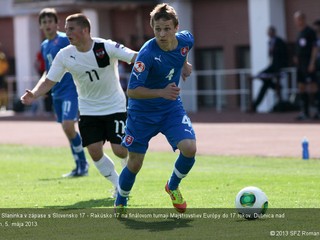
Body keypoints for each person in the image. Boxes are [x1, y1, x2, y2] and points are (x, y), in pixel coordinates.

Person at [21, 13, 137, 197]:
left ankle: (125, 165)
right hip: (89, 109)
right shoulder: (65, 55)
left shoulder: (105, 47)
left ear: (85, 30)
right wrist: (34, 94)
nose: (66, 32)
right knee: (94, 151)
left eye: (71, 29)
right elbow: (50, 80)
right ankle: (119, 185)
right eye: (66, 28)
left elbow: (135, 57)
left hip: (115, 106)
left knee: (120, 150)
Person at [115, 3, 196, 213]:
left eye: (167, 28)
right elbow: (132, 91)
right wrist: (161, 92)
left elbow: (183, 50)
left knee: (189, 148)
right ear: (153, 28)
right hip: (142, 113)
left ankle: (173, 186)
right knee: (134, 163)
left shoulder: (186, 40)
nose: (162, 34)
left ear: (176, 27)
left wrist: (183, 64)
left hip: (170, 108)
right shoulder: (147, 54)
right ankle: (121, 199)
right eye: (158, 29)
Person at [37, 8, 89, 177]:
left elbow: (79, 53)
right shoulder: (44, 45)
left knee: (68, 125)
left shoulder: (64, 40)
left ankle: (84, 164)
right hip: (56, 93)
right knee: (67, 130)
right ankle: (78, 165)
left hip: (70, 91)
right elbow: (48, 71)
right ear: (41, 26)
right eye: (44, 22)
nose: (47, 25)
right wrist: (38, 89)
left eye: (50, 21)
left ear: (56, 23)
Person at [251, 26, 288, 112]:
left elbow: (284, 54)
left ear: (273, 32)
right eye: (267, 32)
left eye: (270, 32)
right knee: (260, 75)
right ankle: (276, 87)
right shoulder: (270, 42)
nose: (268, 34)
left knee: (265, 85)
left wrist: (281, 66)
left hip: (278, 65)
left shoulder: (279, 41)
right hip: (272, 65)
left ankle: (254, 106)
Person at [293, 11, 318, 120]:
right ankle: (305, 112)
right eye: (295, 20)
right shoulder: (299, 33)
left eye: (298, 19)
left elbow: (315, 48)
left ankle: (317, 111)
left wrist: (312, 62)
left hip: (309, 63)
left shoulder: (310, 32)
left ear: (303, 19)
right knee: (301, 86)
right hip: (301, 65)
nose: (297, 22)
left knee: (313, 86)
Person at [0, 47, 9, 111]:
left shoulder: (2, 55)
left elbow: (5, 66)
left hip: (1, 75)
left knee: (2, 90)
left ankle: (4, 105)